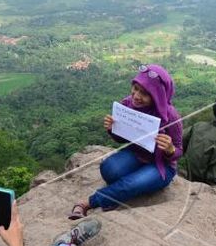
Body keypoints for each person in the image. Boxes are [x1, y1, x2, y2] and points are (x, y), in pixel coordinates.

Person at [69, 64, 183, 219]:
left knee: (131, 183)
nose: (136, 96)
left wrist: (169, 149)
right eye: (135, 89)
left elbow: (179, 151)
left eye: (144, 93)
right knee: (108, 169)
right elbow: (122, 138)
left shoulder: (170, 116)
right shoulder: (128, 105)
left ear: (157, 95)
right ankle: (120, 193)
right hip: (137, 154)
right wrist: (112, 129)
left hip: (161, 165)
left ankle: (88, 203)